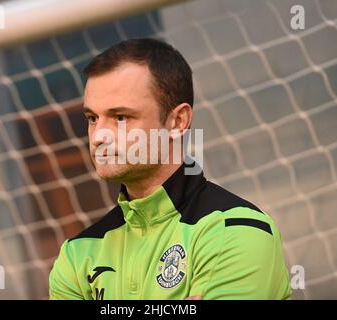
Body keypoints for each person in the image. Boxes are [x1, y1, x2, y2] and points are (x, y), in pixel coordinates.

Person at [49, 38, 291, 300]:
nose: (98, 137)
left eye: (121, 117)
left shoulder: (237, 231)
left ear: (178, 121)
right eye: (92, 118)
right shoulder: (77, 254)